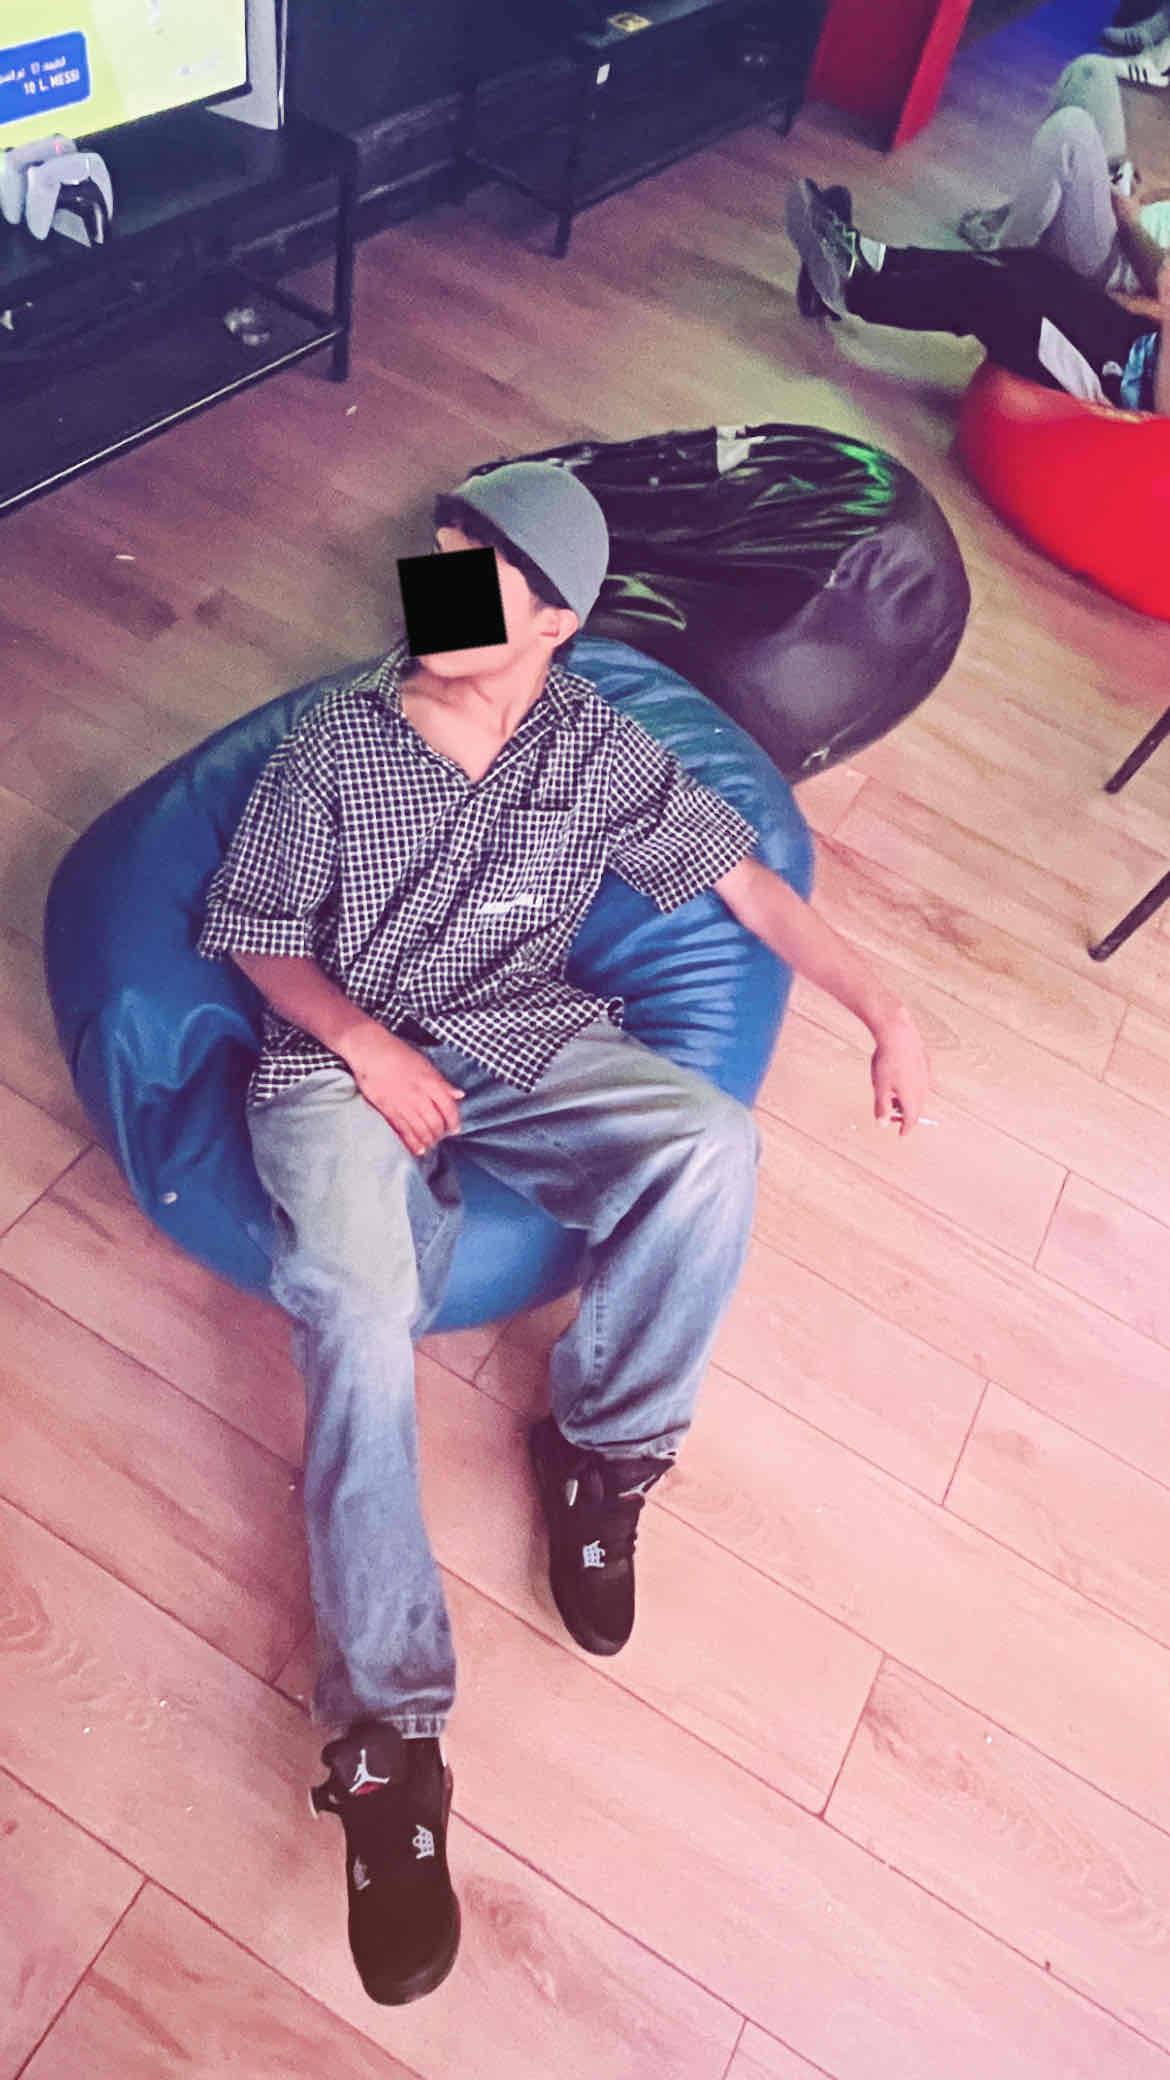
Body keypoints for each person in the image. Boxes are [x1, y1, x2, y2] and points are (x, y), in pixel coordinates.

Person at [198, 459, 931, 2007]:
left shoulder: (590, 744)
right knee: (354, 1314)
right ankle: (388, 1745)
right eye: (436, 558)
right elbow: (256, 937)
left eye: (479, 577)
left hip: (516, 1033)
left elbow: (745, 883)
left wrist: (885, 1004)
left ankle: (601, 1450)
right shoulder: (334, 746)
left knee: (710, 1147)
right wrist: (366, 1049)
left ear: (555, 623)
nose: (434, 593)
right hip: (338, 1064)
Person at [786, 176, 1170, 415]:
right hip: (1139, 344)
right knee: (1036, 266)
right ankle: (872, 256)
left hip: (1127, 386)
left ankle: (852, 290)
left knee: (999, 298)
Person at [957, 55, 1170, 301]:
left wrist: (1130, 223)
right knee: (1090, 71)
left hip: (1112, 261)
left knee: (1070, 130)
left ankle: (1007, 255)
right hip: (1129, 217)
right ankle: (1027, 214)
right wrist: (1145, 196)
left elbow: (1164, 296)